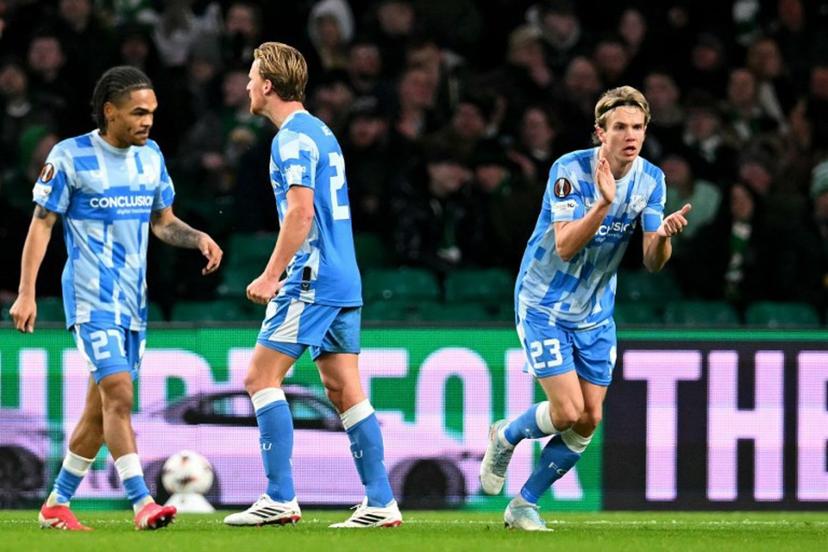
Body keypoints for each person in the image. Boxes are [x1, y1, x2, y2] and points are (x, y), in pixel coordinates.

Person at [9, 66, 223, 530]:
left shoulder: (151, 158)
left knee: (99, 411)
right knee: (120, 397)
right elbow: (41, 224)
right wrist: (27, 292)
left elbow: (162, 221)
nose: (148, 120)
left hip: (133, 303)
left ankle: (55, 505)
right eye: (138, 112)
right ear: (110, 111)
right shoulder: (69, 157)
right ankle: (143, 502)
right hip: (90, 299)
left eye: (152, 112)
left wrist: (197, 238)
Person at [479, 86, 691, 531]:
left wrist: (664, 236)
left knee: (589, 418)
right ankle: (506, 435)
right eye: (620, 127)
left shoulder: (652, 179)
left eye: (637, 127)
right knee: (565, 412)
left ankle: (524, 504)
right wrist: (603, 204)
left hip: (595, 313)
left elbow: (653, 262)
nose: (630, 135)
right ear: (601, 132)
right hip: (543, 304)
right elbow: (566, 244)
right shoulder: (569, 170)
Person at [223, 41, 402, 529]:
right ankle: (381, 501)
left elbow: (301, 212)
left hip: (312, 277)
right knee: (344, 389)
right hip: (344, 276)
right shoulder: (321, 131)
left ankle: (279, 496)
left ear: (268, 85)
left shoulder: (292, 139)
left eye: (252, 76)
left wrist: (270, 273)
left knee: (260, 378)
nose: (246, 85)